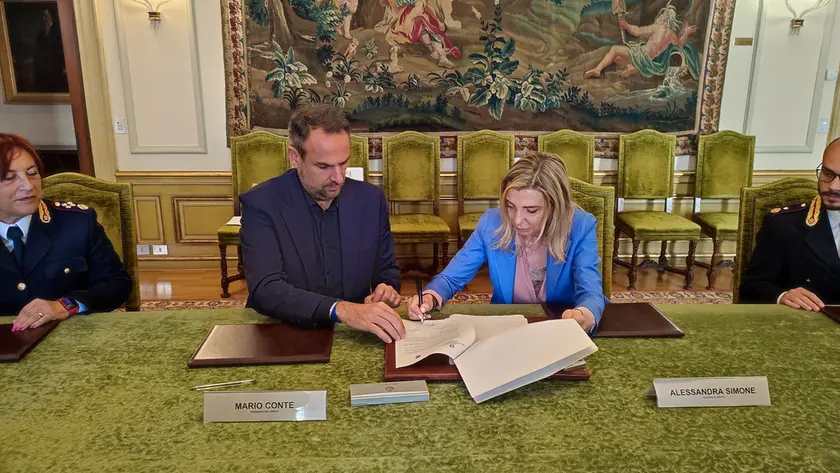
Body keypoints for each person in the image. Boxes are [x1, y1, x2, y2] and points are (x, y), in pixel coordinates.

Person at [239, 104, 406, 343]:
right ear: (295, 157)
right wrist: (341, 309)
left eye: (343, 163)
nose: (338, 178)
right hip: (286, 333)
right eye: (324, 166)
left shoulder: (371, 200)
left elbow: (387, 270)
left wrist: (386, 289)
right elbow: (265, 289)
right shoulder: (262, 204)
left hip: (355, 336)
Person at [408, 153, 607, 332]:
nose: (517, 220)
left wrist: (583, 315)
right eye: (510, 206)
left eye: (531, 210)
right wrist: (430, 297)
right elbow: (451, 279)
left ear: (555, 207)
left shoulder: (581, 226)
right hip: (507, 329)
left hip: (561, 330)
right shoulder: (491, 223)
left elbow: (591, 292)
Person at [0, 134, 132, 330]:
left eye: (32, 173)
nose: (28, 186)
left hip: (73, 338)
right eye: (10, 178)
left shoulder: (77, 223)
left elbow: (118, 284)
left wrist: (65, 305)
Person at [740, 138, 840, 309]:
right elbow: (751, 288)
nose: (833, 186)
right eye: (827, 173)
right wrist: (782, 296)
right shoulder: (783, 225)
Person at [584, 3, 699, 80]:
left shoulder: (657, 28)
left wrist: (626, 25)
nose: (660, 17)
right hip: (649, 61)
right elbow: (680, 44)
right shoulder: (672, 36)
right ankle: (630, 69)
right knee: (617, 58)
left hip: (641, 54)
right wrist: (686, 32)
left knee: (614, 50)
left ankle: (597, 70)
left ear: (664, 18)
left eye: (662, 15)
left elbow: (637, 31)